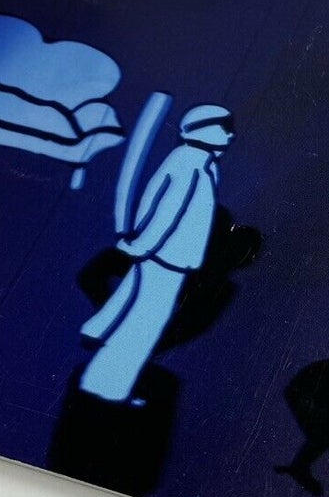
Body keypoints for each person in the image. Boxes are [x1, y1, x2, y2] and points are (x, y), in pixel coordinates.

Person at [78, 105, 234, 404]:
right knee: (144, 326)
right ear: (204, 129)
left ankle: (97, 331)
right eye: (224, 128)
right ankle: (108, 387)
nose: (230, 135)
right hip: (167, 258)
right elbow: (167, 213)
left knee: (131, 301)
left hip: (165, 255)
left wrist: (140, 245)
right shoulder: (192, 165)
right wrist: (142, 246)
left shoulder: (199, 163)